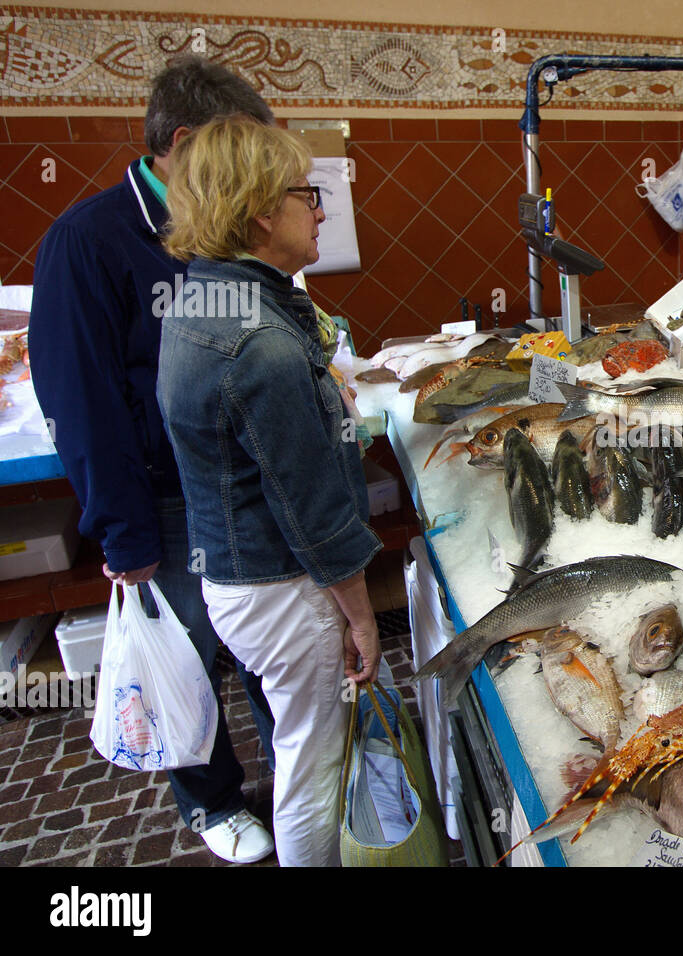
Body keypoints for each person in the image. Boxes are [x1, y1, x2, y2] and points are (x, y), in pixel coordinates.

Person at [28, 56, 278, 864]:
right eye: (232, 149)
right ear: (182, 143)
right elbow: (82, 402)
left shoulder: (228, 228)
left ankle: (300, 768)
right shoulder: (88, 242)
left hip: (248, 486)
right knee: (190, 660)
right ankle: (208, 803)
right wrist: (122, 535)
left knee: (264, 650)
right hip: (166, 503)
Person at [157, 117, 383, 867]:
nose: (318, 211)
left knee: (297, 739)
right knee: (311, 764)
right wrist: (362, 617)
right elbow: (309, 510)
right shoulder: (258, 341)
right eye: (305, 195)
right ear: (260, 210)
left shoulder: (204, 298)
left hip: (235, 575)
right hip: (281, 588)